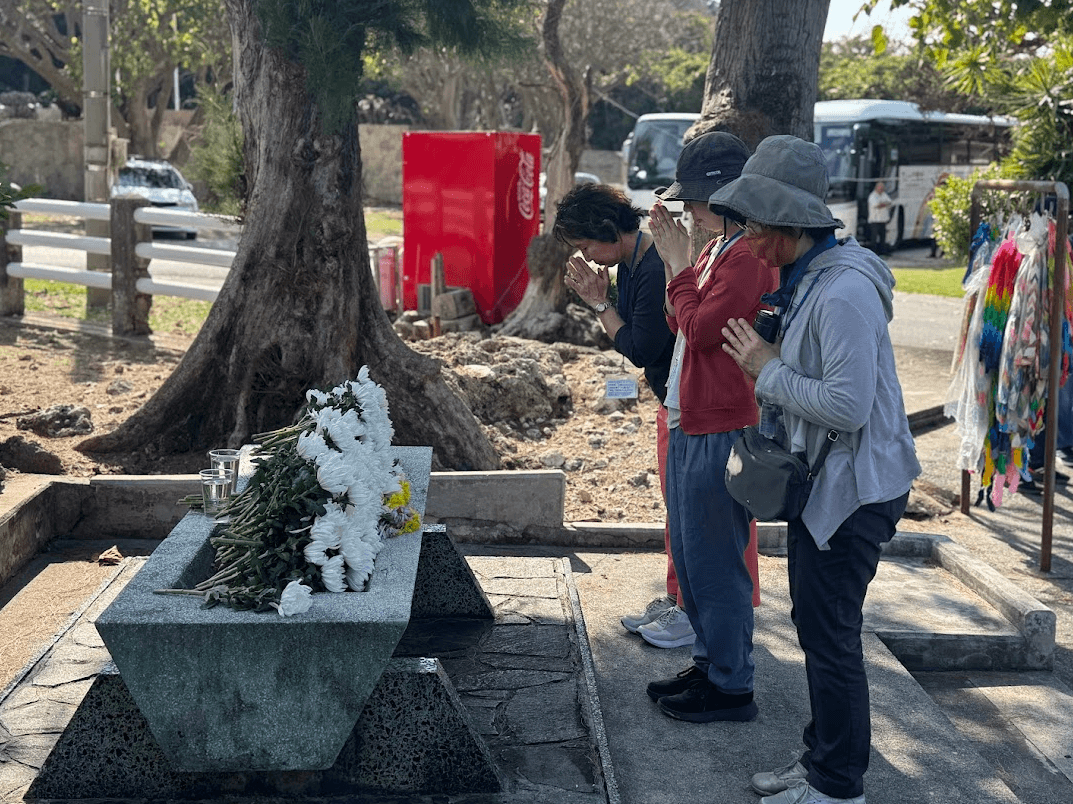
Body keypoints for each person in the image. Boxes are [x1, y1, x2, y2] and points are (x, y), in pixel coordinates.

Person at [712, 135, 921, 804]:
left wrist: (764, 371)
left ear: (788, 222)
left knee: (830, 635)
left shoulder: (841, 295)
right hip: (829, 486)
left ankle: (837, 786)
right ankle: (820, 762)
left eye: (753, 221)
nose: (744, 235)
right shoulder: (813, 278)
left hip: (852, 492)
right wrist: (771, 362)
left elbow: (849, 405)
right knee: (816, 625)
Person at [641, 131, 776, 723]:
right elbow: (681, 317)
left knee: (715, 561)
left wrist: (674, 265)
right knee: (694, 557)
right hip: (692, 413)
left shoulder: (743, 257)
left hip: (719, 423)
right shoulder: (718, 250)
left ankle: (730, 684)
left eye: (694, 198)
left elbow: (697, 329)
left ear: (722, 197)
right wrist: (683, 276)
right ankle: (711, 663)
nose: (687, 211)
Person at [555, 185, 687, 647]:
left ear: (608, 229)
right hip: (671, 399)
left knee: (688, 512)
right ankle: (679, 598)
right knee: (678, 508)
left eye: (588, 244)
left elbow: (639, 347)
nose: (588, 256)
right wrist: (604, 298)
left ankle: (690, 609)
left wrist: (599, 304)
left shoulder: (650, 268)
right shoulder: (628, 265)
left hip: (688, 403)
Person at [866, 181, 892, 255]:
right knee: (874, 238)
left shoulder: (884, 195)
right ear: (876, 188)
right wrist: (884, 204)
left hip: (883, 220)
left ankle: (882, 251)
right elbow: (877, 205)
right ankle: (873, 252)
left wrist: (883, 204)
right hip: (874, 220)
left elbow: (890, 202)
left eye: (882, 188)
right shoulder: (872, 196)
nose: (881, 190)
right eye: (880, 188)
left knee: (883, 237)